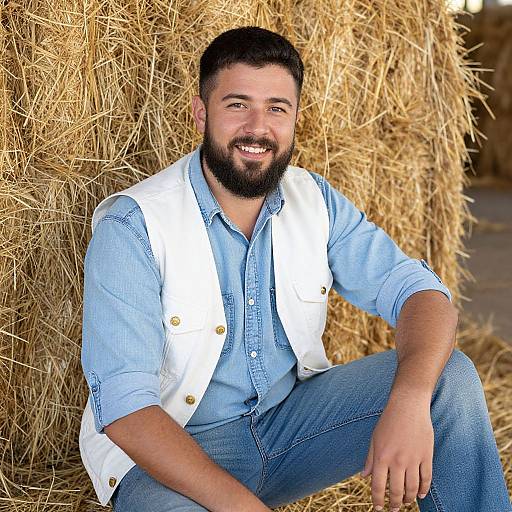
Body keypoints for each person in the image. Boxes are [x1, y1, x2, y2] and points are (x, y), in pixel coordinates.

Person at [79, 26, 511, 512]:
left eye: (276, 108)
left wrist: (410, 400)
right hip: (175, 455)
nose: (257, 127)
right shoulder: (134, 224)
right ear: (201, 112)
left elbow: (421, 294)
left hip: (291, 430)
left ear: (295, 119)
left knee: (446, 377)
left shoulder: (314, 199)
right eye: (237, 104)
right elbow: (127, 409)